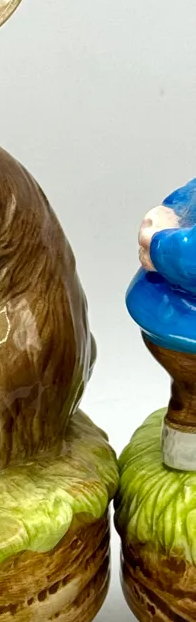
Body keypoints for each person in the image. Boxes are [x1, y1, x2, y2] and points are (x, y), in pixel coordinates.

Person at [128, 178, 196, 469]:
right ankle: (185, 452)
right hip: (180, 323)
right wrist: (159, 235)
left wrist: (157, 239)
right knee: (191, 397)